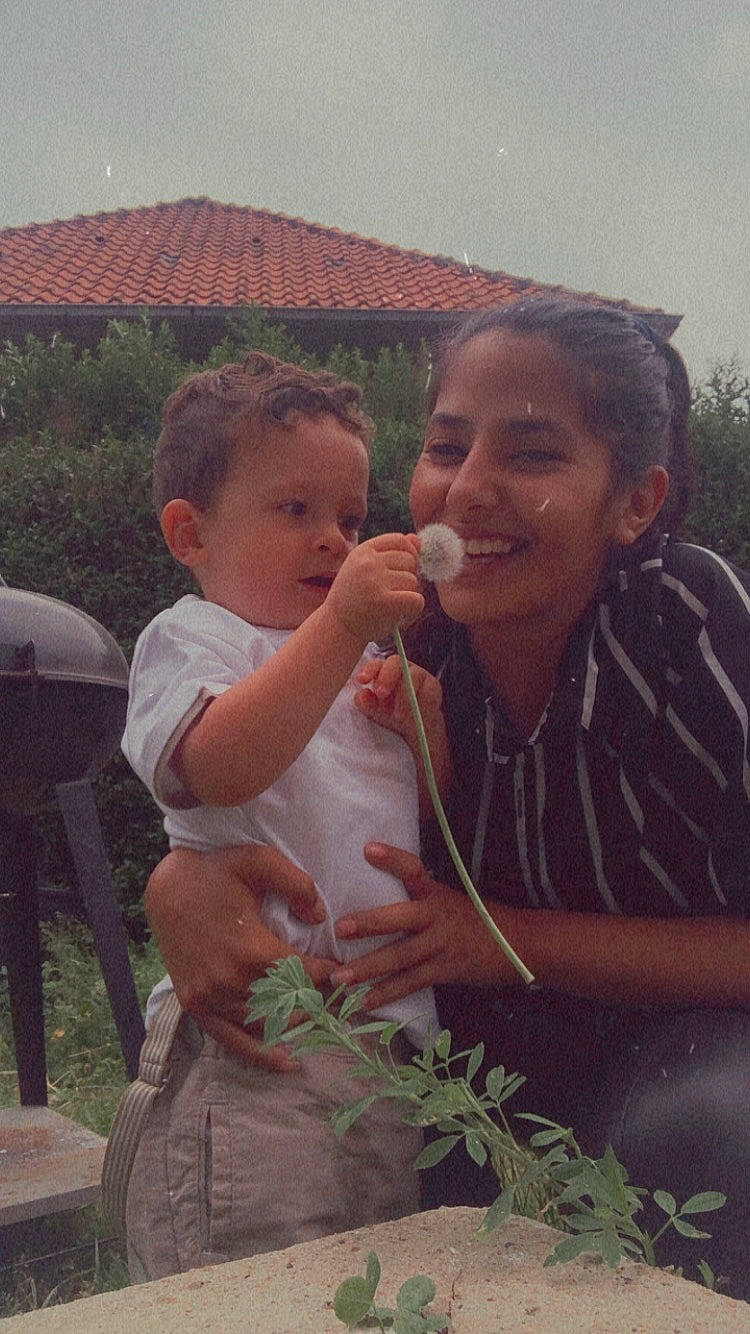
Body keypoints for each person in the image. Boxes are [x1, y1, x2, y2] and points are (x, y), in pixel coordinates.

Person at [140, 301, 750, 1297]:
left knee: (710, 1125)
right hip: (457, 1085)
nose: (467, 492)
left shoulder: (685, 626)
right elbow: (246, 780)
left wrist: (500, 935)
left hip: (686, 1069)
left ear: (633, 502)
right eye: (445, 445)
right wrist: (182, 877)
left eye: (535, 453)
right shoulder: (395, 643)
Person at [114, 351, 446, 1279]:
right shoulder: (192, 638)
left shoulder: (356, 653)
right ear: (192, 532)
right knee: (255, 1286)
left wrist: (424, 722)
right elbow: (216, 766)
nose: (335, 542)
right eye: (295, 511)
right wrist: (339, 633)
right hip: (259, 1052)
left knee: (364, 1281)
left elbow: (429, 814)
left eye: (347, 517)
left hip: (383, 1055)